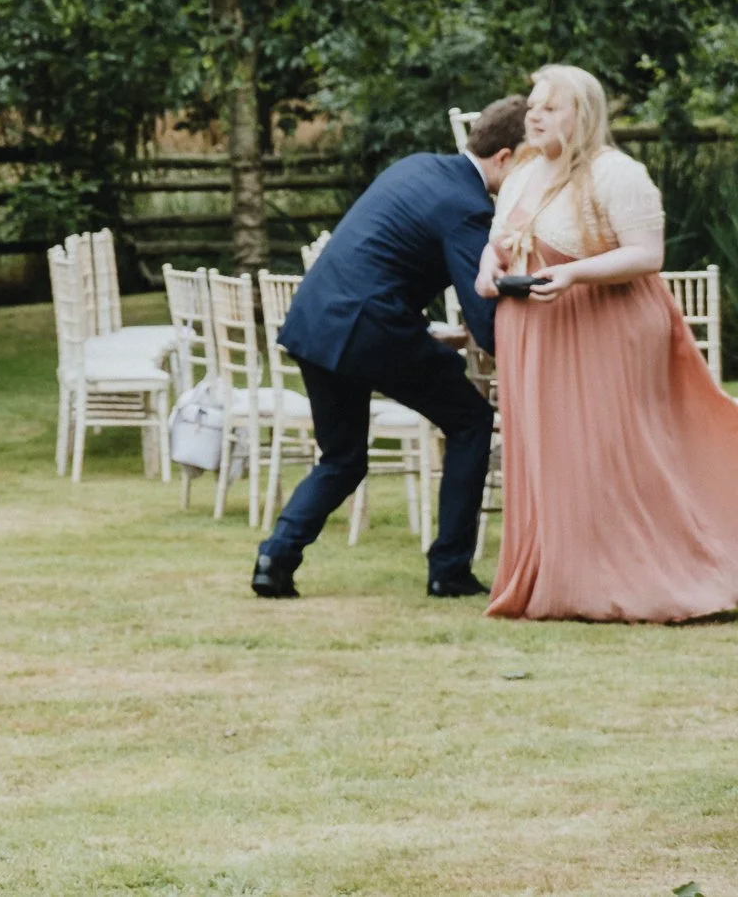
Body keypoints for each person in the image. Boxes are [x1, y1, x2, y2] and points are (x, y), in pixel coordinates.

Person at [478, 65, 738, 621]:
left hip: (603, 326)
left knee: (605, 451)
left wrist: (574, 275)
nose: (535, 115)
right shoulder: (523, 172)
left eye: (551, 106)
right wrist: (487, 268)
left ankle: (633, 576)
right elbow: (499, 241)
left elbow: (648, 254)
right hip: (531, 327)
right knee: (547, 453)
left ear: (584, 115)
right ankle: (556, 575)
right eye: (533, 106)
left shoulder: (617, 173)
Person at [252, 97, 528, 599]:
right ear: (506, 158)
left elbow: (376, 257)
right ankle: (449, 569)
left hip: (316, 323)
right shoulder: (467, 206)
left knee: (343, 457)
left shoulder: (417, 167)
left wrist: (421, 328)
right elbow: (487, 320)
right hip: (369, 330)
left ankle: (275, 557)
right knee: (470, 420)